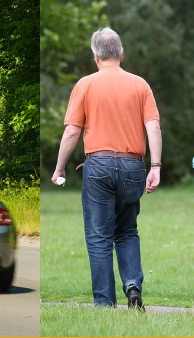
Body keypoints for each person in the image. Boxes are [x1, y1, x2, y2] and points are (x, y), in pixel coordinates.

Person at [51, 27, 163, 310]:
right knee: (126, 231)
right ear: (121, 55)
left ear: (96, 57)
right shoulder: (140, 85)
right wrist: (156, 166)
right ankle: (133, 286)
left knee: (99, 236)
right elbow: (153, 127)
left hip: (98, 165)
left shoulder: (85, 84)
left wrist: (60, 167)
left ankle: (104, 303)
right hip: (133, 165)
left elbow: (72, 133)